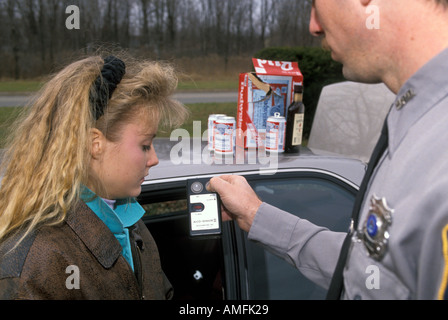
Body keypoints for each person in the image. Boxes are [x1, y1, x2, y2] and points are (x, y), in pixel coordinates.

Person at [208, 0, 448, 299]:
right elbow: (371, 272)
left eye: (315, 4)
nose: (314, 26)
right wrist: (256, 216)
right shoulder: (419, 114)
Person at [0, 54, 189, 299]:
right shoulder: (34, 266)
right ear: (95, 144)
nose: (153, 159)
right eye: (145, 145)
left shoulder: (130, 221)